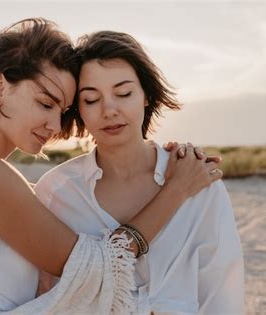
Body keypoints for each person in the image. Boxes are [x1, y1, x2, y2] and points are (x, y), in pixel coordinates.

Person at [0, 18, 222, 314]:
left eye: (63, 110)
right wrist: (177, 189)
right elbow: (96, 269)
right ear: (0, 87)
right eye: (45, 103)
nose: (55, 125)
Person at [35, 30, 244, 314]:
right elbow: (49, 294)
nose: (110, 109)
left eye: (124, 93)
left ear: (146, 95)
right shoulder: (57, 192)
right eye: (91, 99)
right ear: (78, 109)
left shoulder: (199, 180)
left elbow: (221, 290)